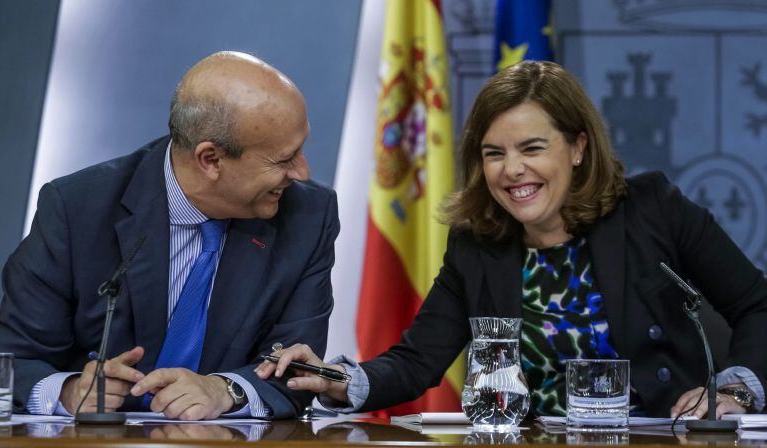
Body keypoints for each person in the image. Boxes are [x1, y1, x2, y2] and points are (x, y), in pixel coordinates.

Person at [257, 61, 767, 418]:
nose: (512, 169)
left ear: (577, 147)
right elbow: (417, 361)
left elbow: (756, 305)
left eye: (532, 147)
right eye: (494, 152)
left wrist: (736, 392)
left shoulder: (653, 209)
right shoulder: (478, 241)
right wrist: (338, 380)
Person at [0, 51, 339, 420]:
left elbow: (300, 370)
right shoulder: (78, 208)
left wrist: (226, 390)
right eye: (283, 160)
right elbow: (13, 358)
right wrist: (67, 390)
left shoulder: (308, 216)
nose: (302, 172)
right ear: (210, 160)